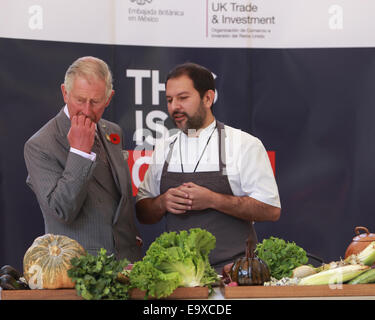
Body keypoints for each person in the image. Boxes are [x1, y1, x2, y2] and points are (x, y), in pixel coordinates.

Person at [135, 62, 281, 272]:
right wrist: (162, 202)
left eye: (183, 98)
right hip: (177, 278)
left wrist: (213, 199)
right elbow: (142, 211)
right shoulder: (164, 147)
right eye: (169, 99)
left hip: (232, 275)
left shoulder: (244, 144)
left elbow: (270, 209)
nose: (174, 106)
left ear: (208, 98)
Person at [24, 56, 142, 262]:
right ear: (65, 93)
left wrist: (123, 239)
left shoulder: (113, 132)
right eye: (80, 100)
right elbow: (61, 211)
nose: (87, 111)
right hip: (79, 271)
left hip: (126, 263)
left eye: (95, 102)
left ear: (109, 98)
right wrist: (79, 153)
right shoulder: (40, 145)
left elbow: (115, 199)